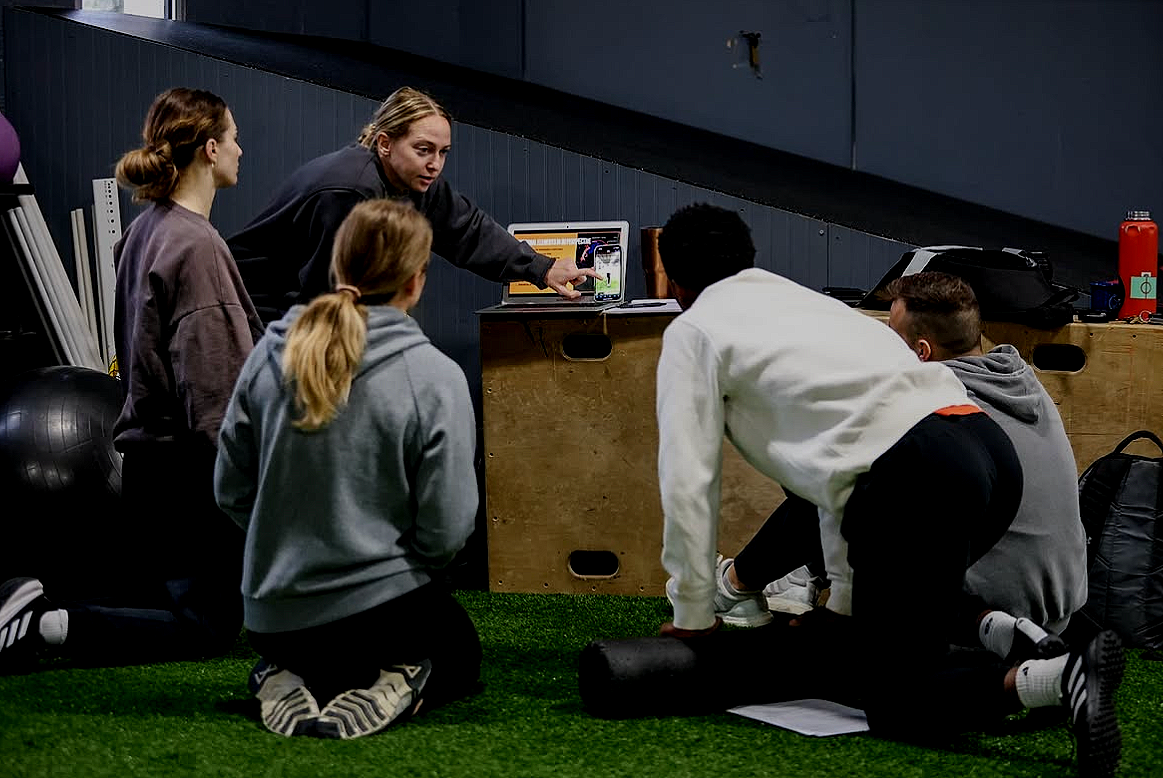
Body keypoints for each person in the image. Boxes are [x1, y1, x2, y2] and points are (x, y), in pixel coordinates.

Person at [648, 204, 1123, 778]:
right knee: (906, 594)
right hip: (984, 449)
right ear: (750, 260)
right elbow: (837, 471)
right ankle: (1010, 634)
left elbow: (688, 481)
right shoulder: (815, 306)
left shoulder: (693, 332)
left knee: (894, 697)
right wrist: (846, 604)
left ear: (672, 280)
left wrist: (693, 612)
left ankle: (1054, 680)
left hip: (917, 472)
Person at [0, 88, 263, 671]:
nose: (243, 150)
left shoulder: (145, 230)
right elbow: (213, 387)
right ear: (211, 148)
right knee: (207, 628)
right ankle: (47, 623)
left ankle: (40, 606)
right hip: (190, 470)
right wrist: (250, 473)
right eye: (236, 137)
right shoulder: (196, 245)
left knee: (150, 598)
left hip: (147, 465)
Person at [214, 198, 481, 739]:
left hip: (273, 622)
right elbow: (448, 531)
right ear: (416, 281)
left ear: (338, 267)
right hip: (383, 623)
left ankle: (285, 672)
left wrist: (287, 544)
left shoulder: (267, 358)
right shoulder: (434, 375)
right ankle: (396, 678)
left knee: (327, 642)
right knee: (460, 647)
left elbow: (229, 489)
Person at [227, 85, 599, 323]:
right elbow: (327, 293)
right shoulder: (351, 191)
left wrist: (543, 269)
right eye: (423, 150)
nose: (435, 163)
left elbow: (466, 229)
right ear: (385, 143)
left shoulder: (414, 181)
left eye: (443, 152)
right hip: (253, 312)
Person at [884, 270, 1088, 655]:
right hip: (1064, 610)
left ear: (922, 352)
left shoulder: (933, 406)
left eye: (893, 338)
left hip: (987, 617)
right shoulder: (1025, 382)